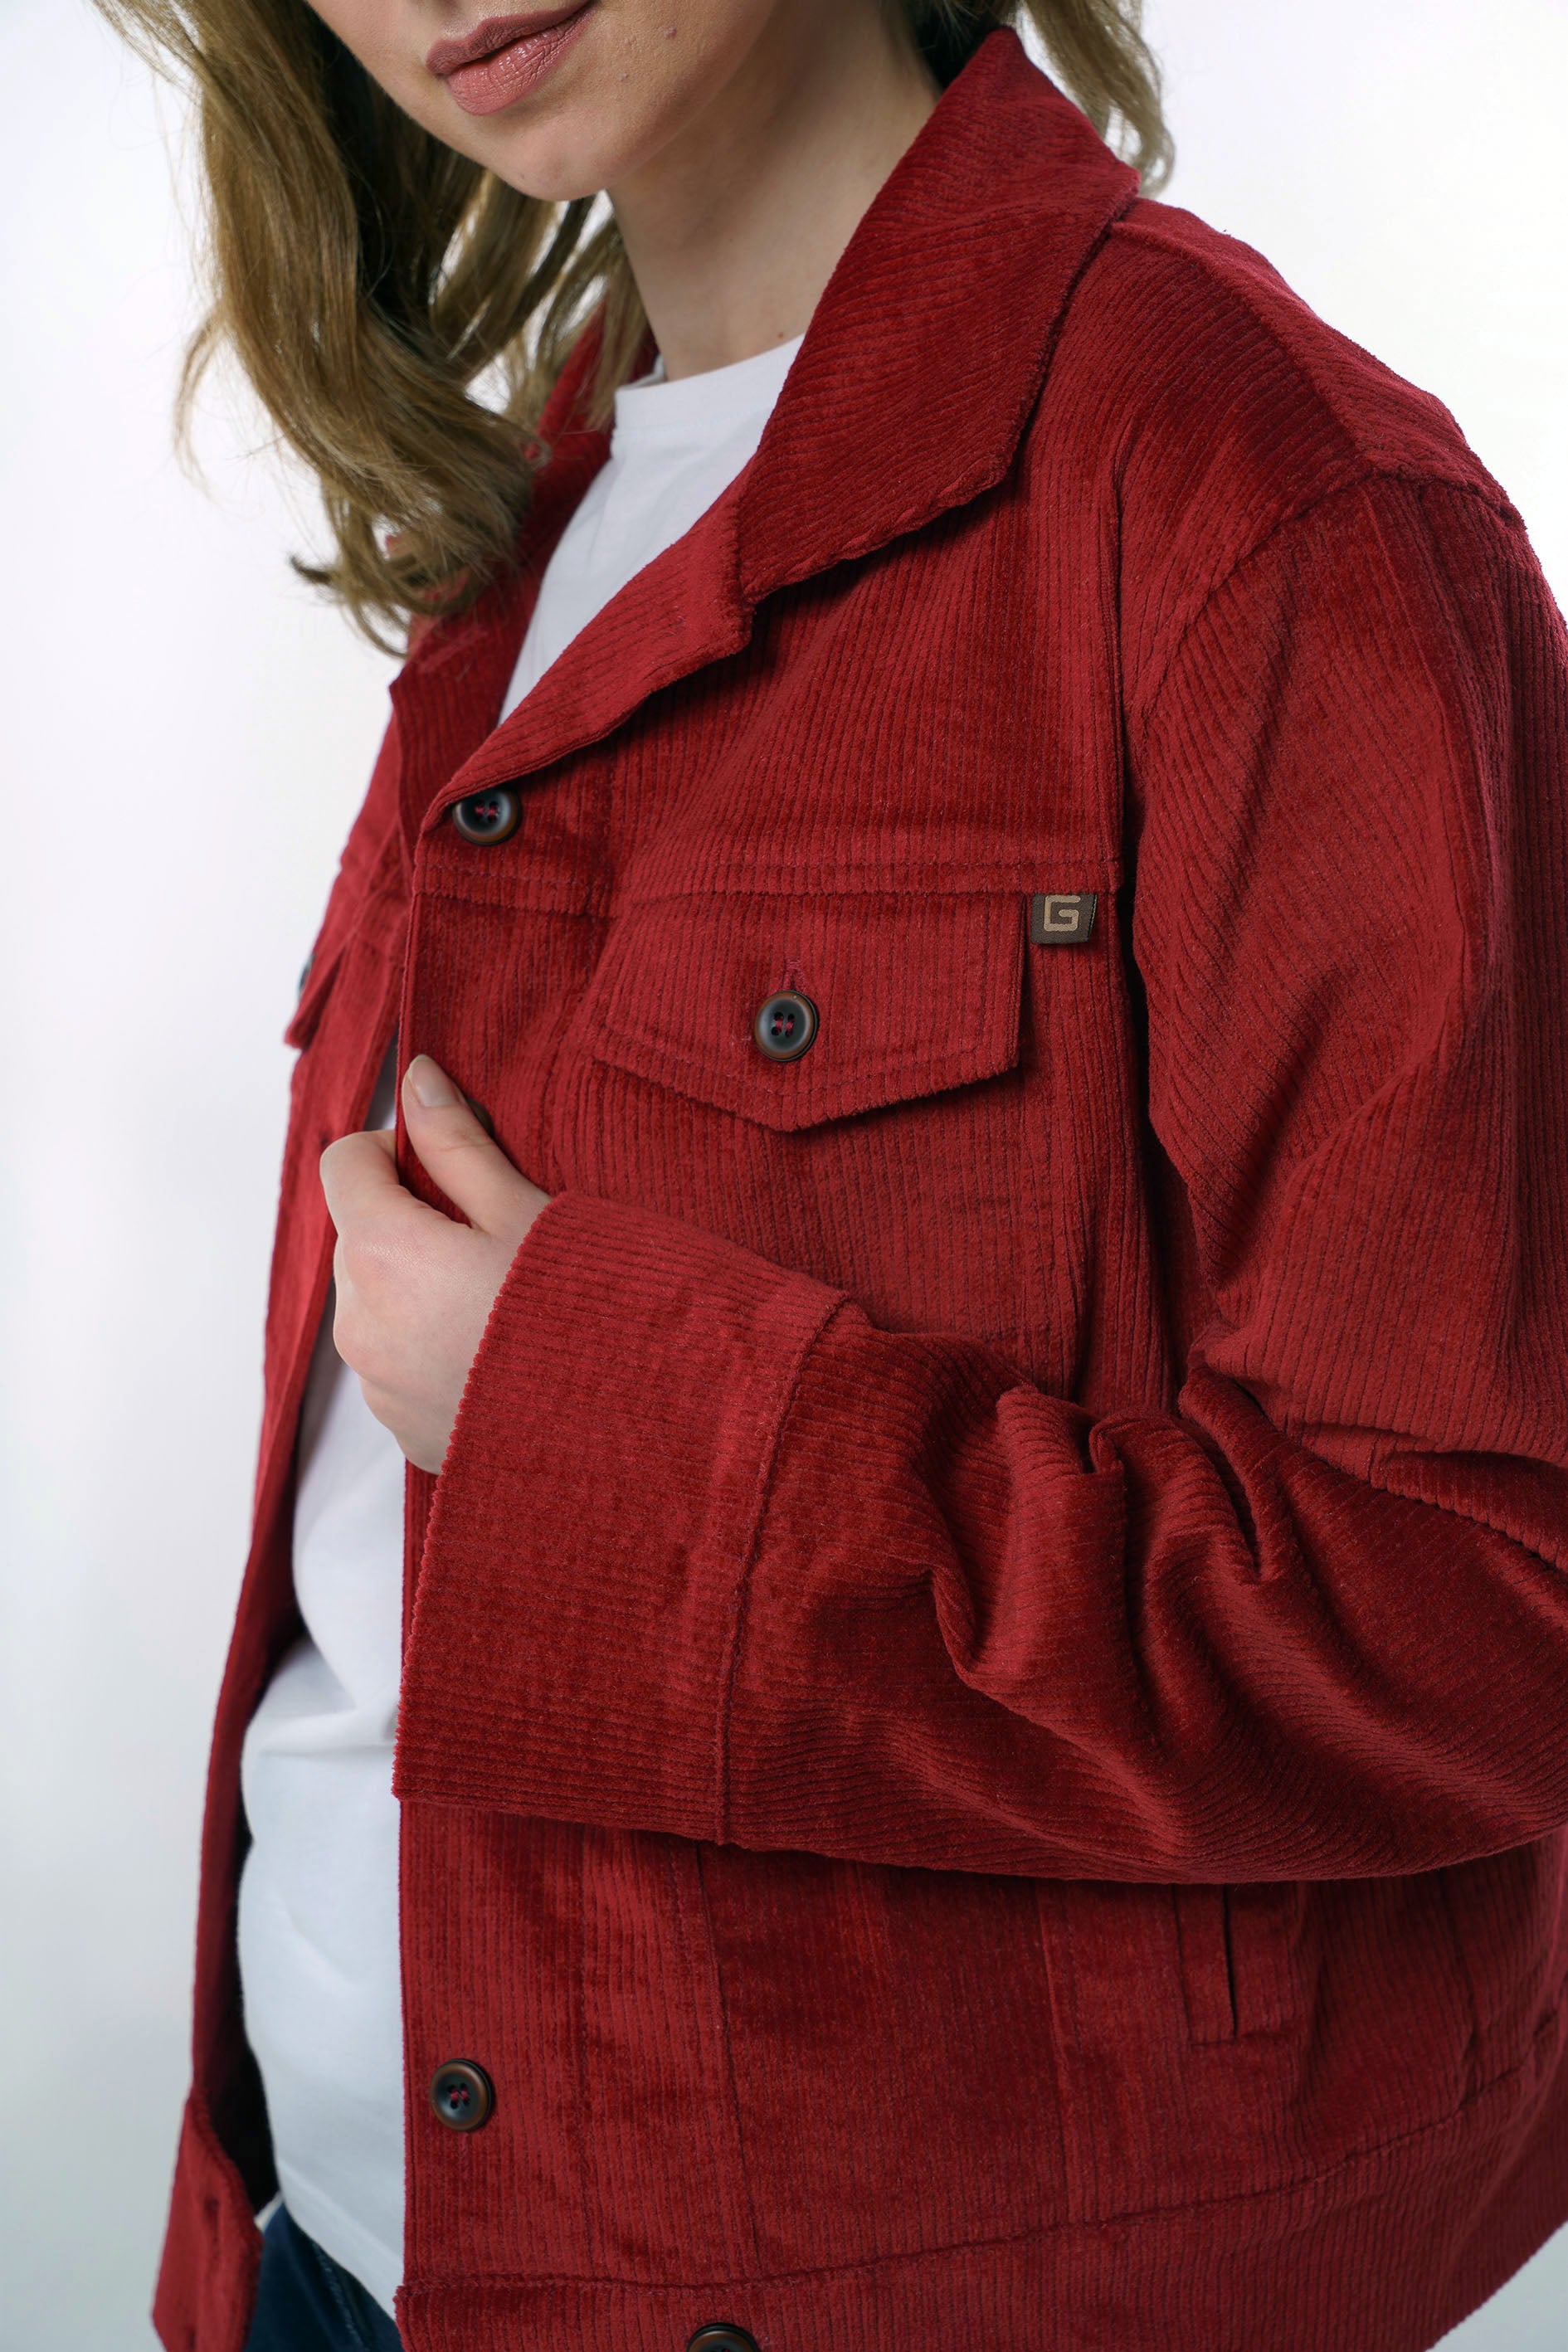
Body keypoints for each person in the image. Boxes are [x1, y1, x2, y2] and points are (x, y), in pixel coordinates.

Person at [93, 0, 1568, 2345]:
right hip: (330, 2257)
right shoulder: (545, 515)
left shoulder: (1256, 497)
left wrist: (601, 1424)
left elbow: (1489, 1601)